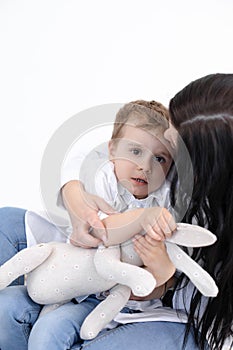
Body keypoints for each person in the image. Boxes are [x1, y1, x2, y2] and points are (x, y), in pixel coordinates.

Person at [0, 73, 233, 349]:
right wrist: (73, 193)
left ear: (208, 170)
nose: (146, 166)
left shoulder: (183, 194)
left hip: (151, 306)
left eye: (166, 153)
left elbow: (188, 289)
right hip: (79, 271)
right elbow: (103, 153)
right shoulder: (169, 169)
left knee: (53, 332)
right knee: (7, 249)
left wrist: (164, 280)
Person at [0, 100, 177, 350]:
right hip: (73, 275)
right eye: (135, 152)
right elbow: (101, 231)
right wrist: (142, 219)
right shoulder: (104, 178)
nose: (145, 167)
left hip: (119, 297)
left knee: (50, 330)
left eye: (160, 158)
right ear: (112, 151)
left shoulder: (167, 198)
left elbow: (169, 257)